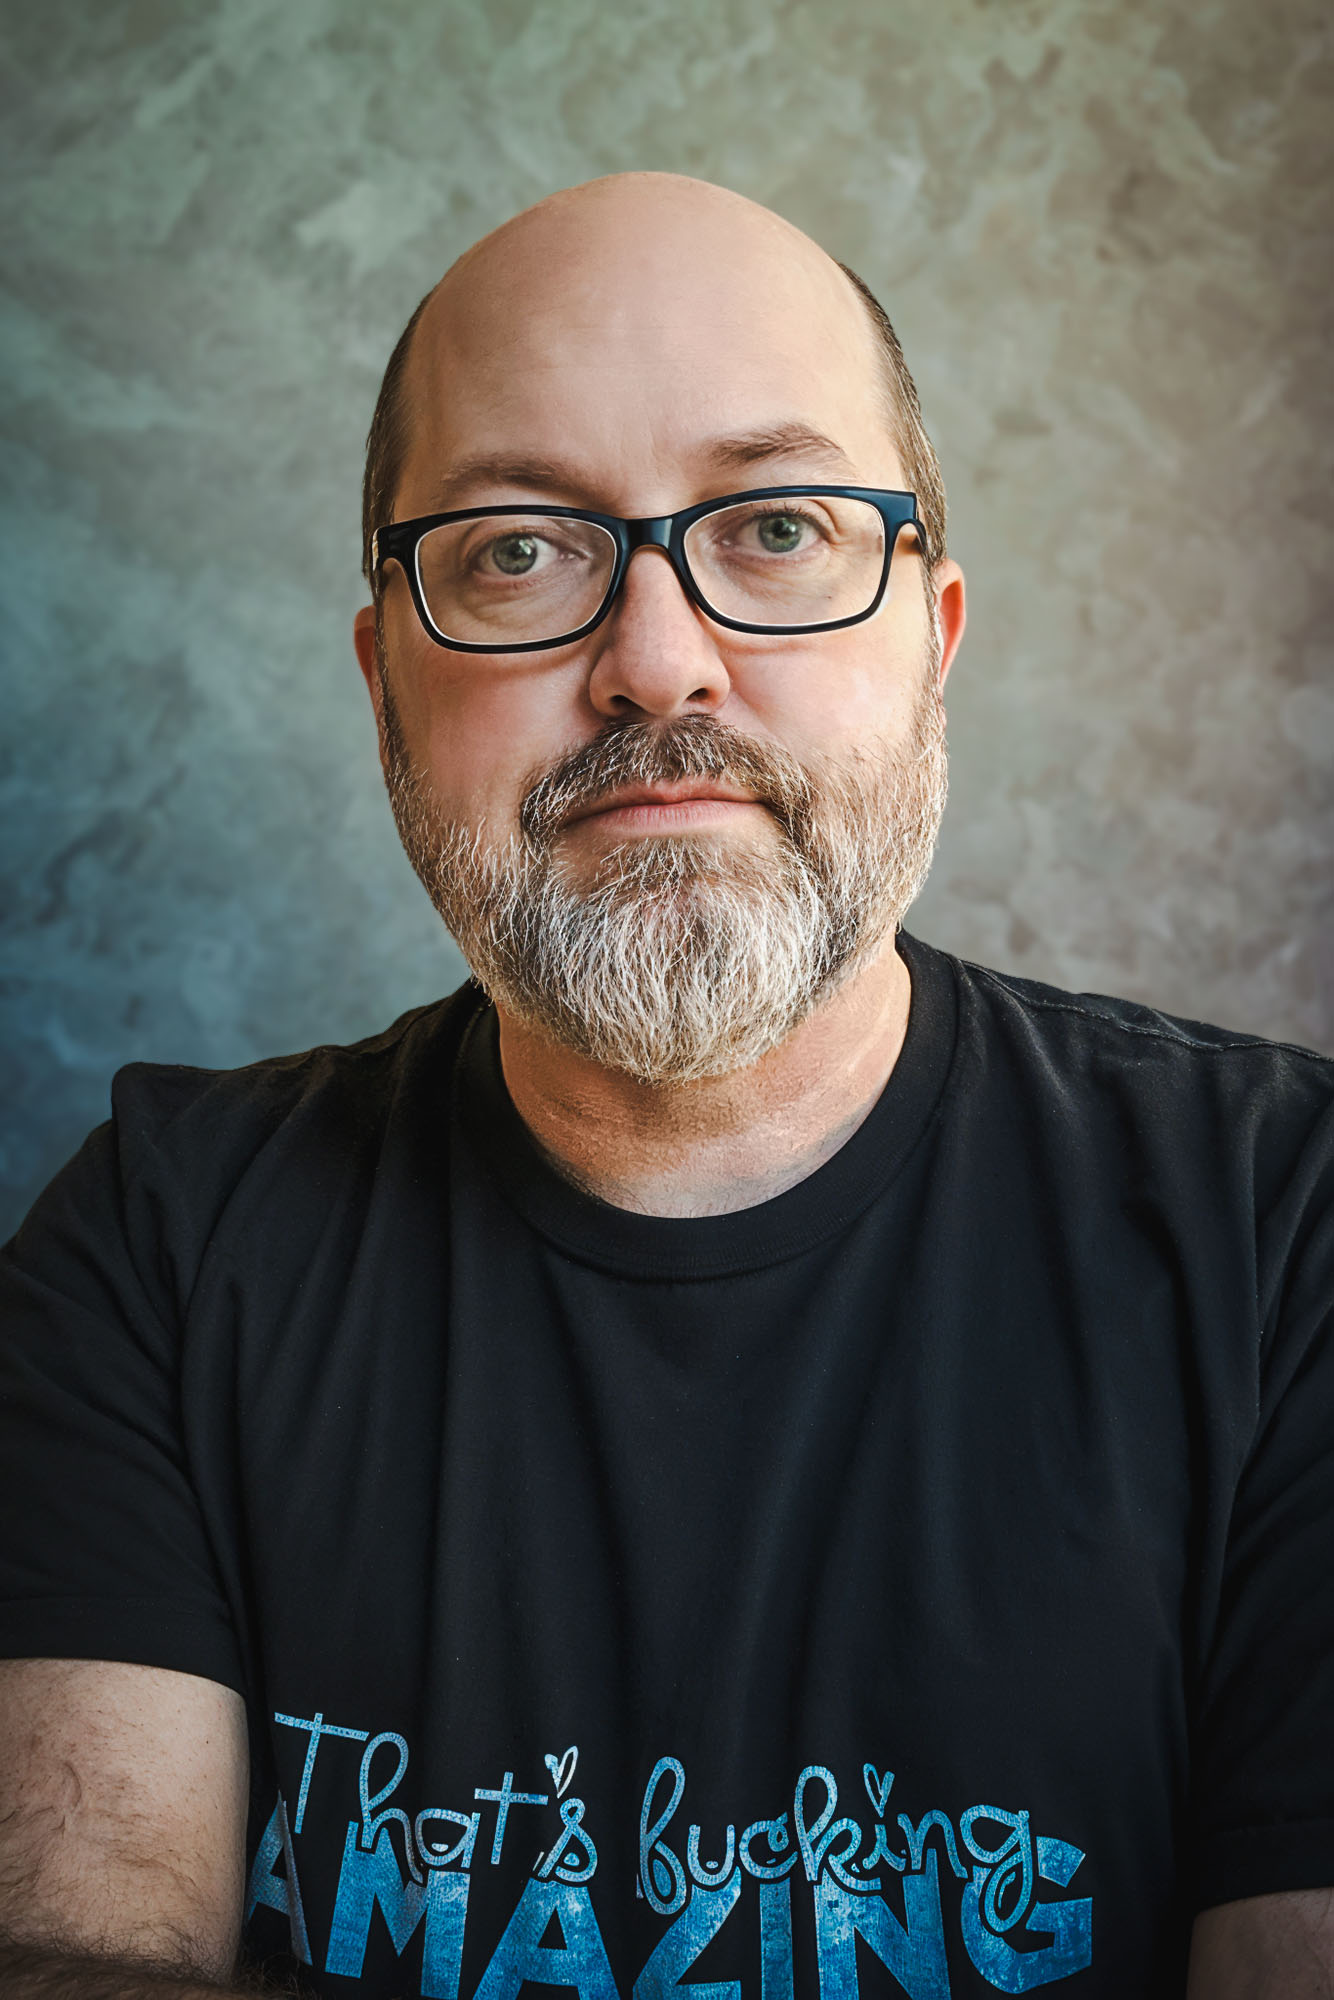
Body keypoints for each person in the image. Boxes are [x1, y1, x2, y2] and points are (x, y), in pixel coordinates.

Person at [0, 171, 1330, 2000]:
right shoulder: (154, 1250)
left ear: (931, 638)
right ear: (387, 678)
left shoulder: (1286, 1231)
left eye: (776, 526)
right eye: (517, 549)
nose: (654, 663)